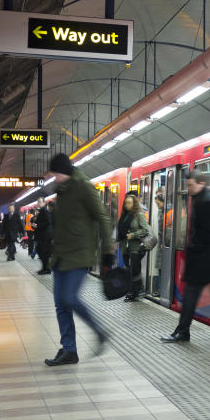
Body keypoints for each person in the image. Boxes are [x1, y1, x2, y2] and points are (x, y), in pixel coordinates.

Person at [43, 153, 113, 367]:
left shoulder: (84, 187)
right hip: (61, 257)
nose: (53, 178)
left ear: (62, 171)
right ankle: (69, 350)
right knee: (60, 304)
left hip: (80, 254)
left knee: (69, 298)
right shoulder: (62, 191)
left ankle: (99, 331)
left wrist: (107, 251)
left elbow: (102, 217)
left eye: (55, 174)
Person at [162, 170, 210, 342]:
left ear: (201, 183)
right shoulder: (200, 199)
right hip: (204, 255)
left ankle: (183, 332)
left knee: (191, 294)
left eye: (190, 185)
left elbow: (205, 233)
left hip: (204, 257)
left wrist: (193, 250)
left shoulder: (206, 202)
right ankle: (183, 331)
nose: (188, 189)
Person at [118, 193, 150, 302]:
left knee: (134, 271)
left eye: (129, 203)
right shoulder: (124, 216)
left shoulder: (139, 215)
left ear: (134, 204)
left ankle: (133, 292)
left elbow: (145, 230)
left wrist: (133, 235)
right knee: (129, 269)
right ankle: (136, 290)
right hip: (125, 247)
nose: (127, 205)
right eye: (126, 203)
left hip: (136, 247)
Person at [34, 197, 52, 274]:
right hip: (42, 236)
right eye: (38, 202)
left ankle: (46, 269)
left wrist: (37, 226)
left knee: (43, 252)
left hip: (45, 236)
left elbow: (48, 222)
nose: (39, 203)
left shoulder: (45, 211)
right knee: (40, 251)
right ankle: (46, 268)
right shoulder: (41, 211)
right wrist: (34, 225)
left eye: (40, 202)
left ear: (44, 203)